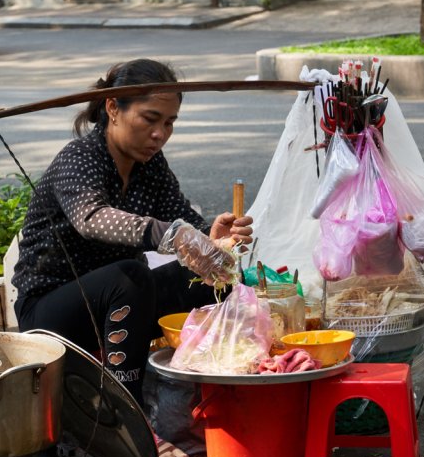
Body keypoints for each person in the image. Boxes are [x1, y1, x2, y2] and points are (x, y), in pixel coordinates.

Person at [13, 59, 253, 407]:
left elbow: (182, 218)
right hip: (50, 313)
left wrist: (211, 236)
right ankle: (128, 416)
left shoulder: (150, 165)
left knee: (216, 277)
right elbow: (92, 218)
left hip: (117, 307)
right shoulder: (79, 158)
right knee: (130, 275)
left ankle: (210, 397)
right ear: (113, 108)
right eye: (150, 119)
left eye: (169, 123)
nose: (160, 134)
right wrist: (172, 235)